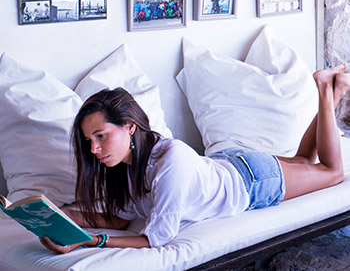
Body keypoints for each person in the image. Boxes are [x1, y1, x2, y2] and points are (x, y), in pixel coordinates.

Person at [40, 65, 348, 253]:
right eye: (88, 141)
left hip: (252, 182)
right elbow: (120, 219)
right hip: (230, 163)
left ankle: (323, 88)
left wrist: (92, 242)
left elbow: (156, 239)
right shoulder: (124, 165)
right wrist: (63, 216)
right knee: (305, 160)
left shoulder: (168, 163)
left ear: (130, 126)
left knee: (330, 172)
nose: (93, 149)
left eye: (101, 136)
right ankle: (332, 91)